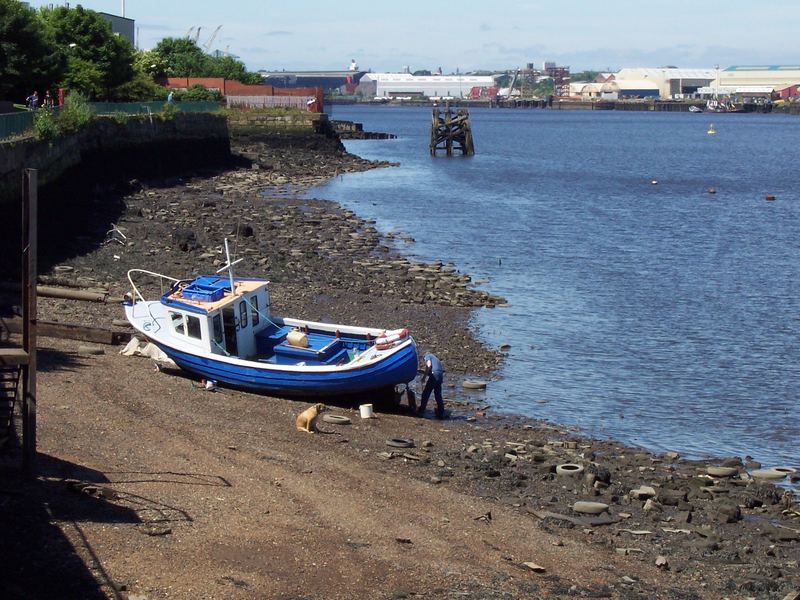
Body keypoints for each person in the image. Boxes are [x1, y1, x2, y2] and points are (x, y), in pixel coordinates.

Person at [418, 352, 445, 419]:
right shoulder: (436, 359)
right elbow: (433, 370)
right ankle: (441, 412)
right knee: (438, 394)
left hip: (435, 375)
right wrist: (422, 372)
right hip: (440, 376)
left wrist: (424, 378)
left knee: (426, 393)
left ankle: (421, 411)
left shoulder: (428, 356)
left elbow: (429, 365)